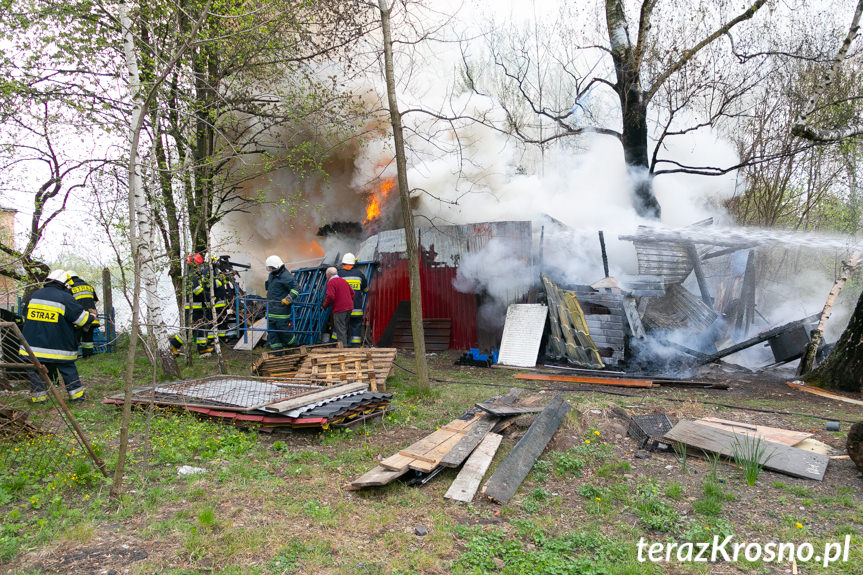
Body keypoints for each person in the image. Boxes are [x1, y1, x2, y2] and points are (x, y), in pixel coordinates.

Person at [19, 269, 95, 403]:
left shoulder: (34, 295)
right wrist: (92, 316)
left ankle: (39, 400)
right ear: (63, 284)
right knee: (67, 369)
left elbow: (25, 317)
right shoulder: (65, 298)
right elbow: (81, 320)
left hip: (32, 348)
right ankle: (77, 398)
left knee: (36, 372)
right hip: (59, 347)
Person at [265, 255, 299, 351]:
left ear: (277, 267)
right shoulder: (272, 275)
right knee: (272, 333)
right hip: (271, 309)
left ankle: (294, 346)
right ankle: (277, 352)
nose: (270, 270)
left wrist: (288, 299)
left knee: (284, 332)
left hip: (281, 311)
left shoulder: (286, 276)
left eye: (271, 268)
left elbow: (296, 289)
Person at [64, 270, 100, 357]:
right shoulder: (89, 286)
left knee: (75, 338)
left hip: (79, 317)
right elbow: (94, 300)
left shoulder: (71, 288)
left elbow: (67, 302)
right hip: (92, 317)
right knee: (88, 339)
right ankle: (87, 355)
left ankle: (73, 356)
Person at [337, 253, 368, 347]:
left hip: (342, 308)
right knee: (356, 326)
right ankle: (355, 347)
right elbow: (366, 289)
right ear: (353, 263)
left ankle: (338, 345)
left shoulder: (339, 274)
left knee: (340, 327)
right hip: (356, 308)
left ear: (343, 263)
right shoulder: (359, 275)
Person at [322, 266, 354, 347]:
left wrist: (325, 305)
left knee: (340, 329)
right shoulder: (343, 281)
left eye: (326, 275)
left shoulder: (331, 282)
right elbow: (353, 293)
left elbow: (331, 296)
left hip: (340, 309)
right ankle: (343, 346)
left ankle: (343, 349)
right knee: (344, 327)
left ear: (328, 275)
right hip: (349, 308)